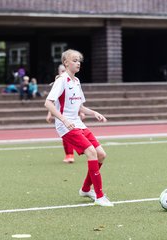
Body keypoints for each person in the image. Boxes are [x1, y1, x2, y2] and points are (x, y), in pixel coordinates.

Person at [45, 49, 113, 207]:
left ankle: (85, 189)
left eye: (79, 60)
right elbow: (48, 103)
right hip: (66, 126)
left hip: (78, 123)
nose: (78, 63)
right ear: (65, 63)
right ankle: (99, 196)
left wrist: (94, 112)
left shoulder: (76, 81)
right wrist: (63, 119)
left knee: (101, 154)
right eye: (74, 60)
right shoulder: (61, 80)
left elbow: (80, 107)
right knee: (92, 152)